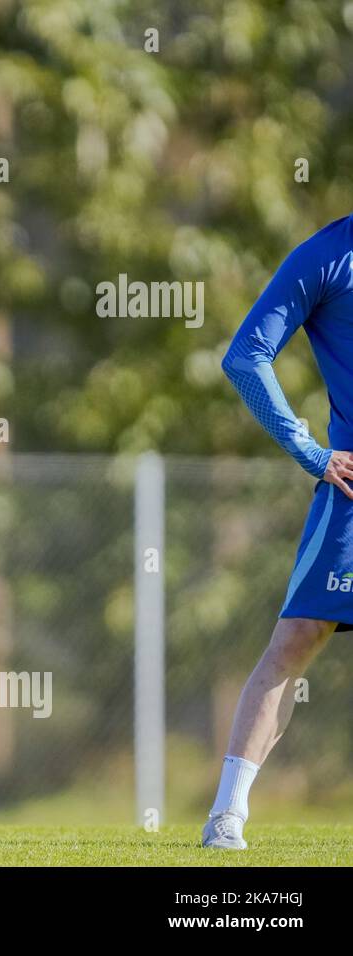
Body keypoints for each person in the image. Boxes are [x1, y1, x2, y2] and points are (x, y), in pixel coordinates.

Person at [207, 215, 353, 849]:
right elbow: (245, 357)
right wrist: (311, 452)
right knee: (295, 641)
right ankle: (226, 818)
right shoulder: (327, 256)